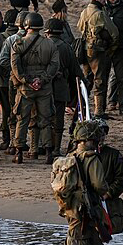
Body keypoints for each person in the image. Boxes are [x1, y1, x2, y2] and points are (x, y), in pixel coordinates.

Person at [45, 120, 114, 245]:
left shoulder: (69, 158)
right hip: (85, 210)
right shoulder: (90, 158)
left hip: (74, 208)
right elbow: (99, 185)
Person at [70, 116, 123, 245]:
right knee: (91, 238)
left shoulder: (113, 155)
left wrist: (108, 193)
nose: (100, 138)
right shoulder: (80, 155)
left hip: (106, 206)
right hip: (86, 205)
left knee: (93, 239)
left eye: (103, 133)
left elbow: (122, 178)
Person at [11, 12, 59, 163]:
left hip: (26, 88)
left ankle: (18, 152)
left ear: (26, 25)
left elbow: (15, 66)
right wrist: (42, 80)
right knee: (45, 120)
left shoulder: (18, 43)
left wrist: (26, 80)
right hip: (44, 87)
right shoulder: (50, 44)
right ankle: (48, 153)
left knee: (22, 119)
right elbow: (54, 65)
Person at [77, 0, 118, 115]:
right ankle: (99, 110)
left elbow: (79, 26)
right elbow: (114, 32)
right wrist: (112, 48)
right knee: (100, 80)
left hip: (86, 49)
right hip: (99, 50)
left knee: (87, 79)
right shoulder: (100, 13)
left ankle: (82, 106)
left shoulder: (85, 12)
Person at [44, 17, 81, 154]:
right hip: (60, 87)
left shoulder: (42, 45)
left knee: (43, 117)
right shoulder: (66, 47)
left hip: (43, 87)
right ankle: (56, 148)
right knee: (58, 118)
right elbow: (75, 70)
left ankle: (44, 146)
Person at [0, 8, 16, 150]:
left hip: (3, 81)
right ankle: (18, 140)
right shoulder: (24, 36)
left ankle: (6, 139)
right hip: (21, 81)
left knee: (5, 111)